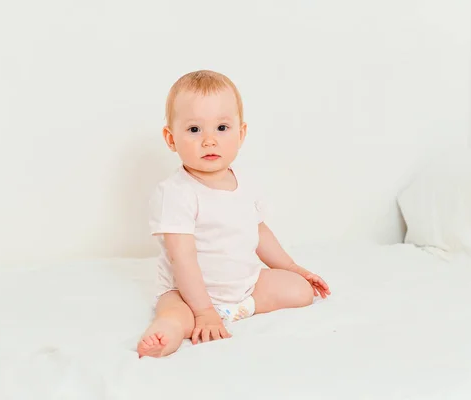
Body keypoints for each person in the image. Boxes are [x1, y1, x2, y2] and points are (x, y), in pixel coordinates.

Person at [137, 70, 331, 358]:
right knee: (176, 315)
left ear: (241, 134)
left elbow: (259, 233)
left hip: (244, 285)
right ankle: (165, 335)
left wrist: (294, 269)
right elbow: (183, 258)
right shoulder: (176, 193)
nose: (209, 140)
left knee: (300, 292)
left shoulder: (245, 184)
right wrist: (203, 311)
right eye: (194, 130)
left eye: (222, 128)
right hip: (188, 293)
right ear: (171, 138)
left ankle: (241, 308)